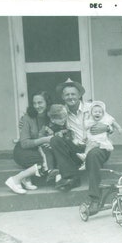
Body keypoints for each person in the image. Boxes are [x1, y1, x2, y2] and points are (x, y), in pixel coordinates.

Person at [50, 79, 114, 215]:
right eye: (67, 95)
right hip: (77, 149)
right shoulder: (62, 111)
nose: (70, 97)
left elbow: (111, 122)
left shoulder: (92, 107)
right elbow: (51, 120)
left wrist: (108, 127)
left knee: (93, 155)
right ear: (63, 97)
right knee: (55, 140)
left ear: (79, 95)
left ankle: (95, 200)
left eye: (73, 94)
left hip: (98, 147)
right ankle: (71, 177)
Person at [5, 91, 57, 194]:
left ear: (47, 102)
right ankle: (15, 179)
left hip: (42, 150)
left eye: (40, 102)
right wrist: (45, 140)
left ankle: (25, 177)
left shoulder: (53, 116)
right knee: (46, 162)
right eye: (34, 103)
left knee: (53, 159)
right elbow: (24, 143)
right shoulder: (27, 118)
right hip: (24, 150)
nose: (37, 106)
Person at [76, 100, 122, 170]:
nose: (97, 113)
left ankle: (85, 156)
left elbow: (113, 122)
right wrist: (84, 136)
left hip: (101, 141)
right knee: (89, 146)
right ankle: (86, 163)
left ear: (103, 113)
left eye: (100, 112)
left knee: (92, 146)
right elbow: (85, 128)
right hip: (92, 140)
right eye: (95, 112)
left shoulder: (105, 119)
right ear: (91, 113)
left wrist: (119, 128)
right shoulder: (90, 120)